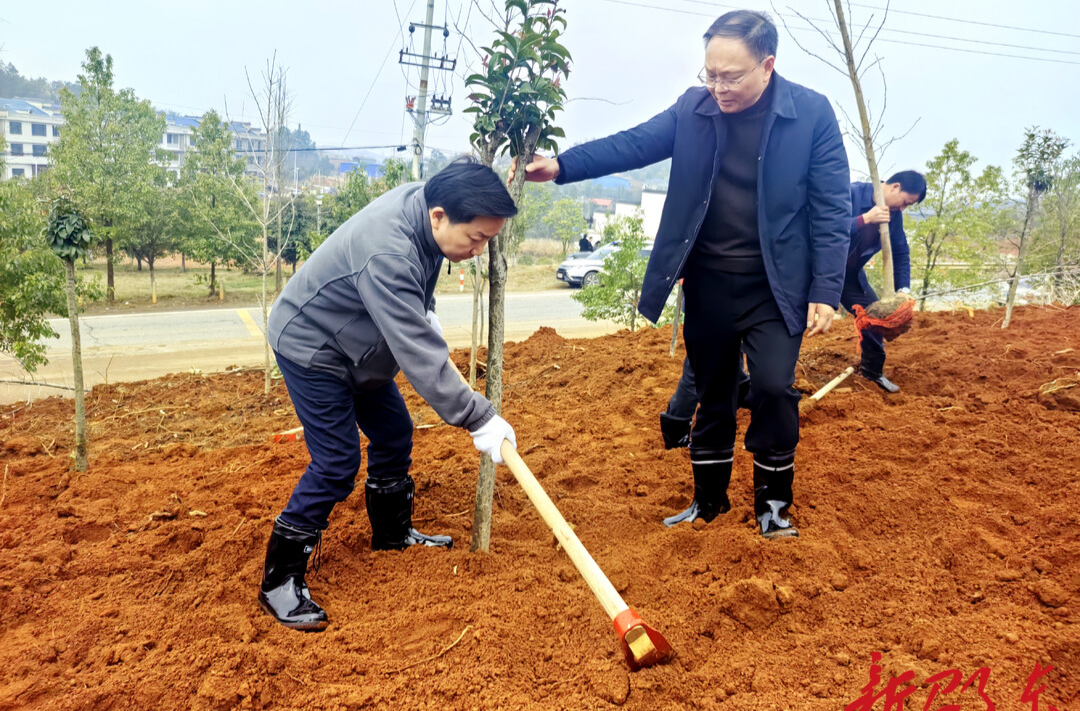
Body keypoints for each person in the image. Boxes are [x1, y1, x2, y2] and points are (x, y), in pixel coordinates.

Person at [512, 10, 850, 538]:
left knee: (772, 387)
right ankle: (707, 504)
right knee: (713, 389)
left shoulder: (811, 114)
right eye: (709, 74)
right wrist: (561, 166)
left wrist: (827, 288)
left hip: (776, 287)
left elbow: (831, 207)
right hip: (710, 281)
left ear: (767, 65)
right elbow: (634, 143)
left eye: (730, 76)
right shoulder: (694, 109)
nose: (717, 87)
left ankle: (773, 510)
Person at [260, 159, 520, 631]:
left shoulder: (426, 207)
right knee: (336, 463)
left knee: (395, 432)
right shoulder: (387, 250)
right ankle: (279, 581)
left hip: (357, 343)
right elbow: (418, 352)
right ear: (440, 216)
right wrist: (477, 416)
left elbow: (421, 280)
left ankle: (392, 535)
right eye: (477, 238)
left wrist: (428, 308)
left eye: (488, 240)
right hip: (313, 345)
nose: (480, 251)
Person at [845, 171, 925, 393]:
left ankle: (872, 373)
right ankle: (776, 376)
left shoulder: (893, 215)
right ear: (895, 187)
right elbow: (823, 228)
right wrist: (864, 220)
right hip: (813, 270)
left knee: (875, 319)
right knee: (790, 318)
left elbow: (900, 252)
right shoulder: (848, 194)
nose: (902, 209)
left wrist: (902, 291)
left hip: (849, 276)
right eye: (905, 203)